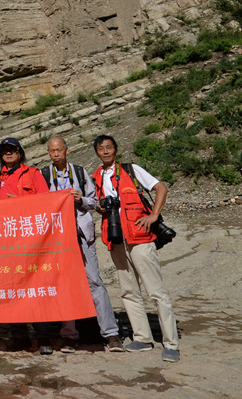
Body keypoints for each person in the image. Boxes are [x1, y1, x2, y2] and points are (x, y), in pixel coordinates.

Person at [92, 134, 180, 363]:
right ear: (97, 153)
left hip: (140, 239)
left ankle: (171, 343)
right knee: (128, 291)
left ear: (116, 149)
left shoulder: (131, 170)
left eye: (109, 147)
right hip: (116, 240)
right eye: (101, 148)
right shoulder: (96, 178)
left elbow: (161, 188)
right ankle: (142, 337)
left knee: (156, 291)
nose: (106, 151)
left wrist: (154, 215)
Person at [41, 136, 124, 353]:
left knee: (94, 282)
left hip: (81, 235)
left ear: (67, 150)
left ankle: (111, 334)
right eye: (52, 151)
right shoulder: (43, 175)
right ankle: (69, 335)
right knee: (65, 284)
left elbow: (95, 202)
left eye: (59, 150)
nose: (56, 154)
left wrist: (80, 200)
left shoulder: (79, 172)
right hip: (57, 239)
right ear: (48, 153)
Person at [0, 137, 52, 354]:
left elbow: (46, 202)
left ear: (20, 152)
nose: (8, 153)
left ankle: (43, 337)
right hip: (5, 243)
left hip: (28, 241)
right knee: (11, 288)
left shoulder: (32, 173)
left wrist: (20, 202)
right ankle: (19, 336)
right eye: (4, 150)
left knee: (33, 289)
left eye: (12, 150)